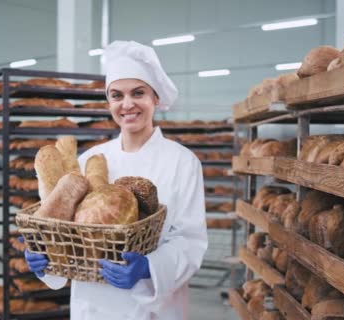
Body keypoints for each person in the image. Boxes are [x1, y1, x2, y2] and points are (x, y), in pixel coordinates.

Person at [23, 40, 208, 319]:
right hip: (93, 305)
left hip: (152, 307)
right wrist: (46, 258)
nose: (127, 104)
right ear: (108, 102)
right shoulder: (90, 160)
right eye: (117, 95)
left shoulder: (182, 162)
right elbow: (67, 232)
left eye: (138, 93)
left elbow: (190, 241)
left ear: (155, 98)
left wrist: (150, 266)